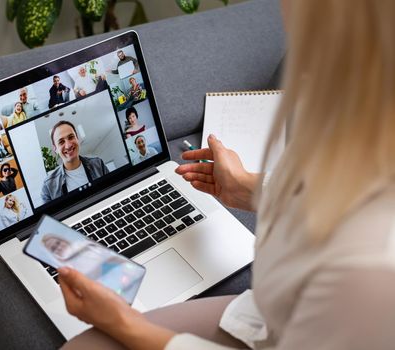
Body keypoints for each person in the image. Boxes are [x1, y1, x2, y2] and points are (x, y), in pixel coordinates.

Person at [57, 1, 395, 349]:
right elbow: (337, 193)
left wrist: (125, 323)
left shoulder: (372, 270)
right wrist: (251, 189)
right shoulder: (350, 104)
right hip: (278, 314)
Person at [41, 120, 109, 202]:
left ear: (77, 139)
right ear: (55, 149)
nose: (68, 145)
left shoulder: (98, 164)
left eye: (71, 137)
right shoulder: (48, 186)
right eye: (61, 142)